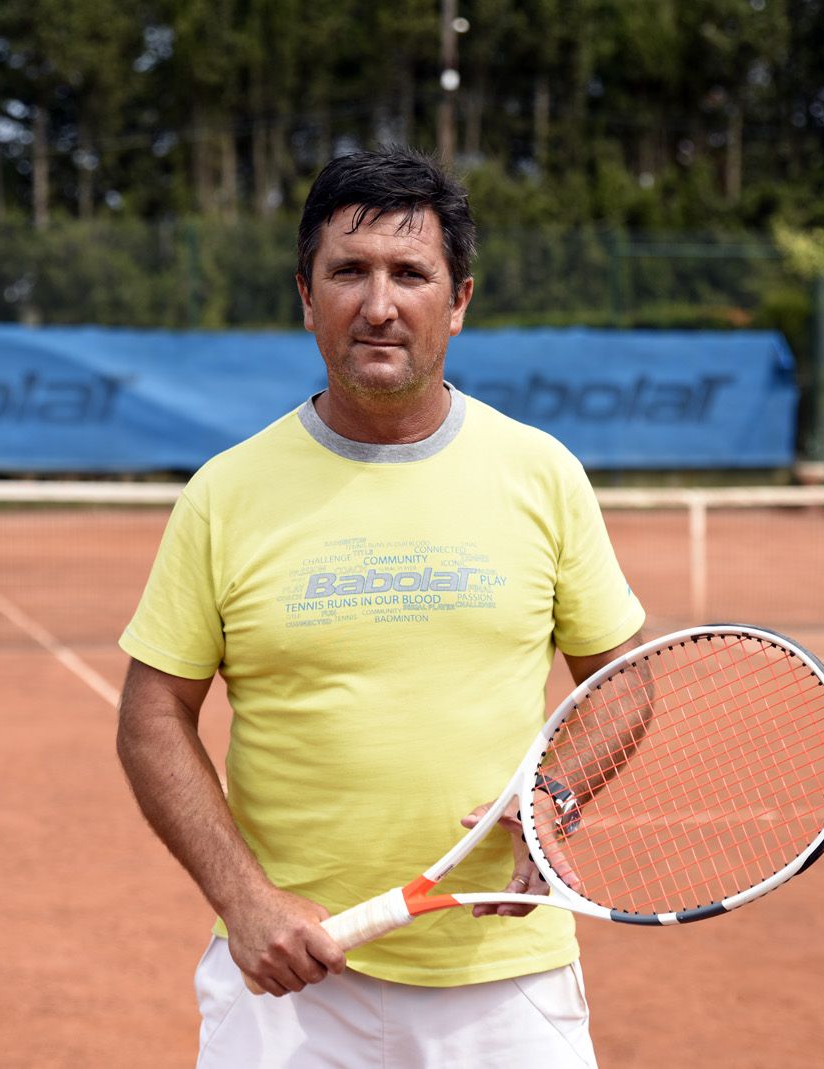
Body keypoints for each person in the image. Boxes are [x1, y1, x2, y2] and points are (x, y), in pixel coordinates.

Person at [116, 147, 645, 1068]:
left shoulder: (543, 473)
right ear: (305, 294)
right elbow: (152, 714)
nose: (378, 304)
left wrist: (555, 792)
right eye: (348, 271)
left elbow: (626, 683)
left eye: (410, 273)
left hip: (505, 978)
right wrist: (243, 898)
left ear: (459, 299)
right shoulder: (224, 493)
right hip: (290, 992)